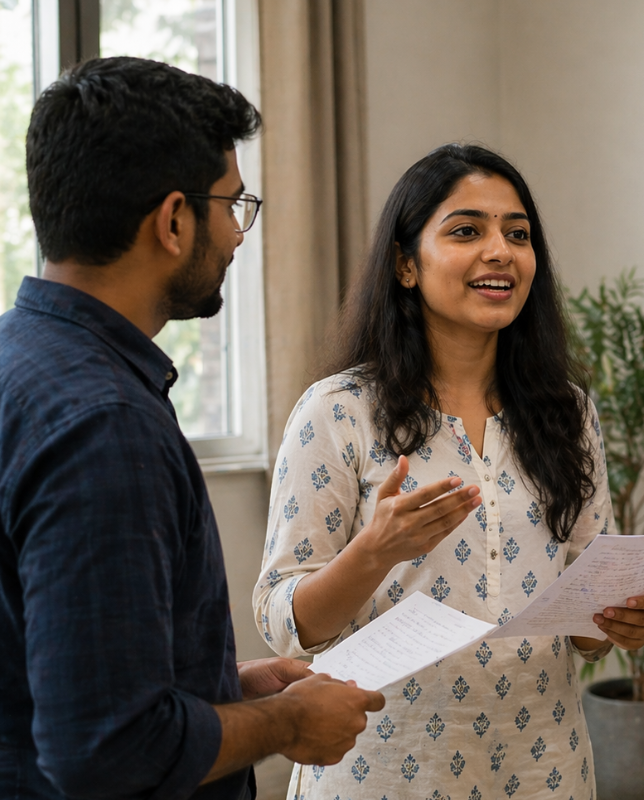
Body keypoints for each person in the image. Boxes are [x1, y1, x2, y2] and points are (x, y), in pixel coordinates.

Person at [0, 57, 386, 800]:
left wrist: (226, 688)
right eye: (232, 205)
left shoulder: (21, 359)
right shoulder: (105, 426)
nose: (239, 236)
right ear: (173, 221)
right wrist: (286, 724)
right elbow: (105, 750)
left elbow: (52, 669)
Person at [254, 143, 644, 800]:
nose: (500, 251)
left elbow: (587, 621)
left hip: (542, 768)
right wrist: (371, 554)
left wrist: (615, 623)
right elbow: (284, 621)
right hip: (380, 765)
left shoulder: (567, 411)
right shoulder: (338, 411)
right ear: (405, 264)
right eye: (466, 230)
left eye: (518, 233)